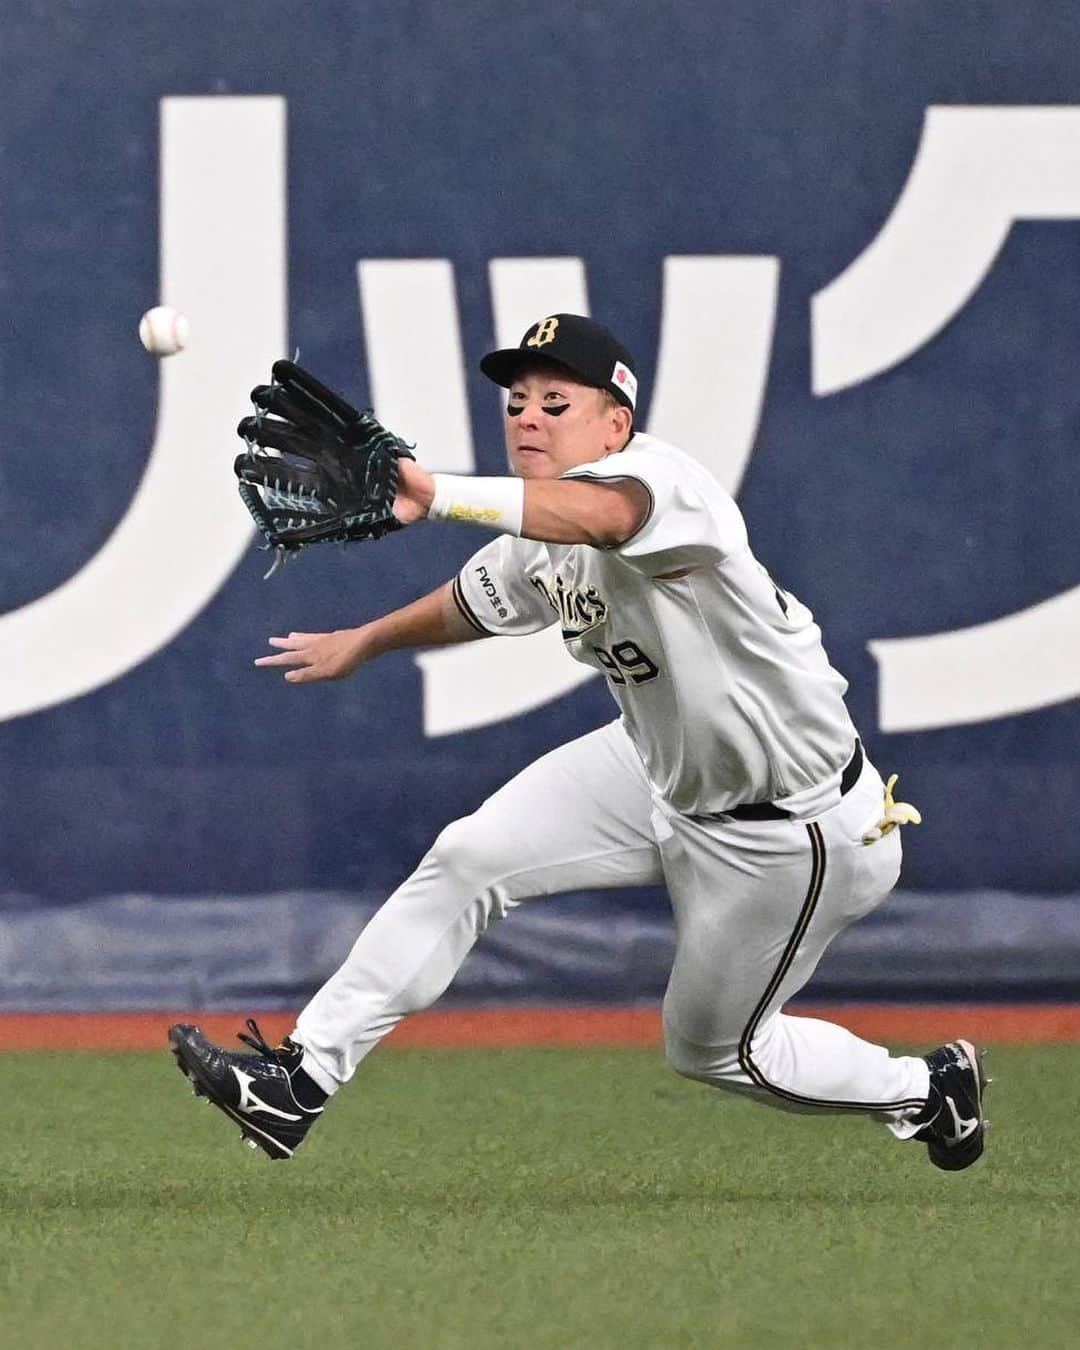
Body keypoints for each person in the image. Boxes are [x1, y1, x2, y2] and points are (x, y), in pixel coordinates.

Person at [169, 314, 988, 1170]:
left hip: (791, 828)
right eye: (517, 400)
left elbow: (605, 516)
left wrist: (438, 492)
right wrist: (363, 640)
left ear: (615, 424)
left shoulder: (662, 484)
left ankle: (930, 1090)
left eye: (556, 401)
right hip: (657, 772)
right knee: (471, 855)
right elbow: (472, 600)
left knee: (712, 1051)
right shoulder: (541, 536)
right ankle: (297, 1084)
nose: (527, 416)